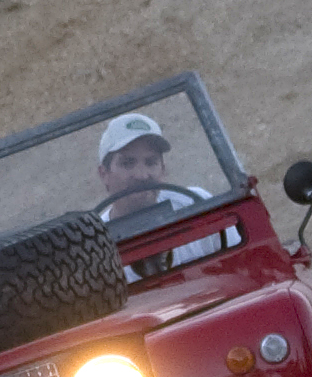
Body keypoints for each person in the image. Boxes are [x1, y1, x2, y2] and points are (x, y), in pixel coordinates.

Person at [92, 112, 226, 272]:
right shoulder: (94, 246)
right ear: (104, 174)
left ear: (163, 169)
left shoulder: (195, 204)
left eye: (151, 162)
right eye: (127, 163)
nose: (141, 175)